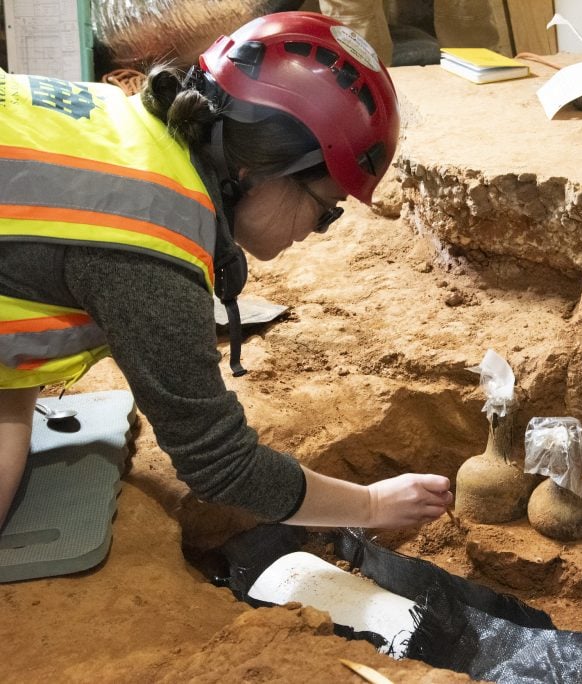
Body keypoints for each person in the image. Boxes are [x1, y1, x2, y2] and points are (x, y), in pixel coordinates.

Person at [0, 11, 452, 531]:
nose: (318, 228)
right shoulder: (148, 246)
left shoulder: (128, 134)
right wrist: (371, 506)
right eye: (325, 207)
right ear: (255, 171)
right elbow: (220, 464)